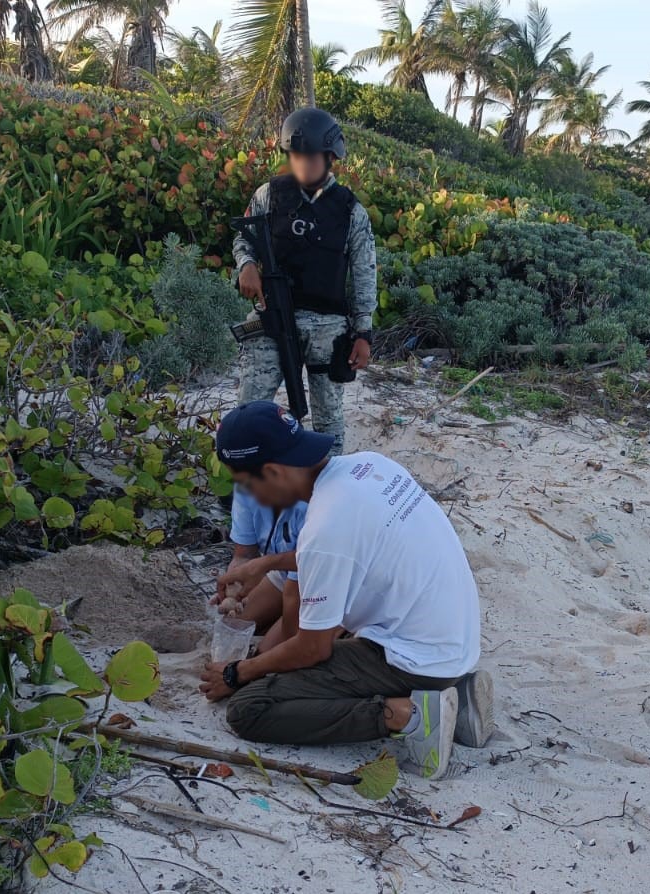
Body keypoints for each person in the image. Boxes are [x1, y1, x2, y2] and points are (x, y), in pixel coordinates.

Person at [198, 401, 494, 780]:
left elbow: (312, 648)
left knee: (251, 707)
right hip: (454, 645)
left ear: (272, 472)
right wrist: (267, 564)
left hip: (413, 659)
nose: (250, 497)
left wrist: (236, 673)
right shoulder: (370, 467)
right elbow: (343, 553)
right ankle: (458, 697)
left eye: (247, 485)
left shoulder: (325, 528)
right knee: (295, 665)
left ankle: (410, 716)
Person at [233, 107, 376, 457]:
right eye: (296, 156)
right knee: (249, 408)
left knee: (327, 419)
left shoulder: (350, 211)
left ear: (329, 157)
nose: (302, 164)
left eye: (310, 157)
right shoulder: (269, 195)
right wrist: (246, 264)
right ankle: (244, 482)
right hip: (272, 317)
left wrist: (364, 333)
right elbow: (243, 238)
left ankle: (330, 485)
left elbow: (363, 274)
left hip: (328, 328)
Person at [210, 486, 307, 655]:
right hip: (283, 572)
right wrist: (234, 590)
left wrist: (265, 565)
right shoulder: (245, 487)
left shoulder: (307, 501)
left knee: (268, 653)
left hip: (323, 580)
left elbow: (310, 562)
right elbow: (244, 555)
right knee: (231, 628)